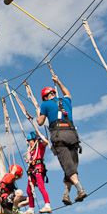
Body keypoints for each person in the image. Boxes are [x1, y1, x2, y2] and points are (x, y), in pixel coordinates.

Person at [37, 76, 86, 205]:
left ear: (45, 97)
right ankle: (66, 194)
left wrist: (40, 112)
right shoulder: (65, 101)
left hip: (59, 136)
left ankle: (80, 188)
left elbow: (40, 122)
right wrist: (58, 82)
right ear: (53, 93)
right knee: (71, 166)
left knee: (68, 166)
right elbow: (67, 93)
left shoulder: (45, 104)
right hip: (72, 135)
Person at [22, 129, 52, 214]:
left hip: (38, 168)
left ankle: (47, 204)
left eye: (30, 141)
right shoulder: (30, 150)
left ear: (35, 140)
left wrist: (39, 135)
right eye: (28, 141)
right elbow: (29, 159)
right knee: (29, 190)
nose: (29, 143)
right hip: (32, 170)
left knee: (41, 186)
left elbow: (46, 142)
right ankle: (31, 208)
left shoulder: (40, 146)